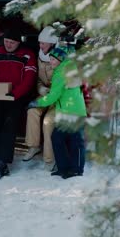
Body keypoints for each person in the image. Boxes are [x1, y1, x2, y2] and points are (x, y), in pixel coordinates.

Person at [0, 30, 37, 179]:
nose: (8, 45)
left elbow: (29, 79)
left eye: (12, 42)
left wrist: (16, 94)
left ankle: (2, 162)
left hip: (15, 97)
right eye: (6, 41)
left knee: (9, 127)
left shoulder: (27, 55)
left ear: (19, 42)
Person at [28, 47, 87, 179]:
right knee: (57, 138)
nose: (51, 61)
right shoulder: (65, 68)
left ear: (61, 60)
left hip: (73, 113)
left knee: (76, 142)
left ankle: (77, 170)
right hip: (66, 112)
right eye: (51, 59)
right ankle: (63, 168)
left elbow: (53, 96)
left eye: (54, 59)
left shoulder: (62, 72)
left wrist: (37, 103)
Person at [22, 27, 59, 169]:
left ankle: (49, 159)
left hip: (58, 98)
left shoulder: (60, 57)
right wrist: (41, 89)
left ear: (52, 43)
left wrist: (52, 92)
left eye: (43, 43)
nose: (40, 45)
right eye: (40, 43)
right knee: (32, 111)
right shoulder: (39, 56)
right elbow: (38, 79)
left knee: (48, 122)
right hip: (44, 95)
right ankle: (33, 146)